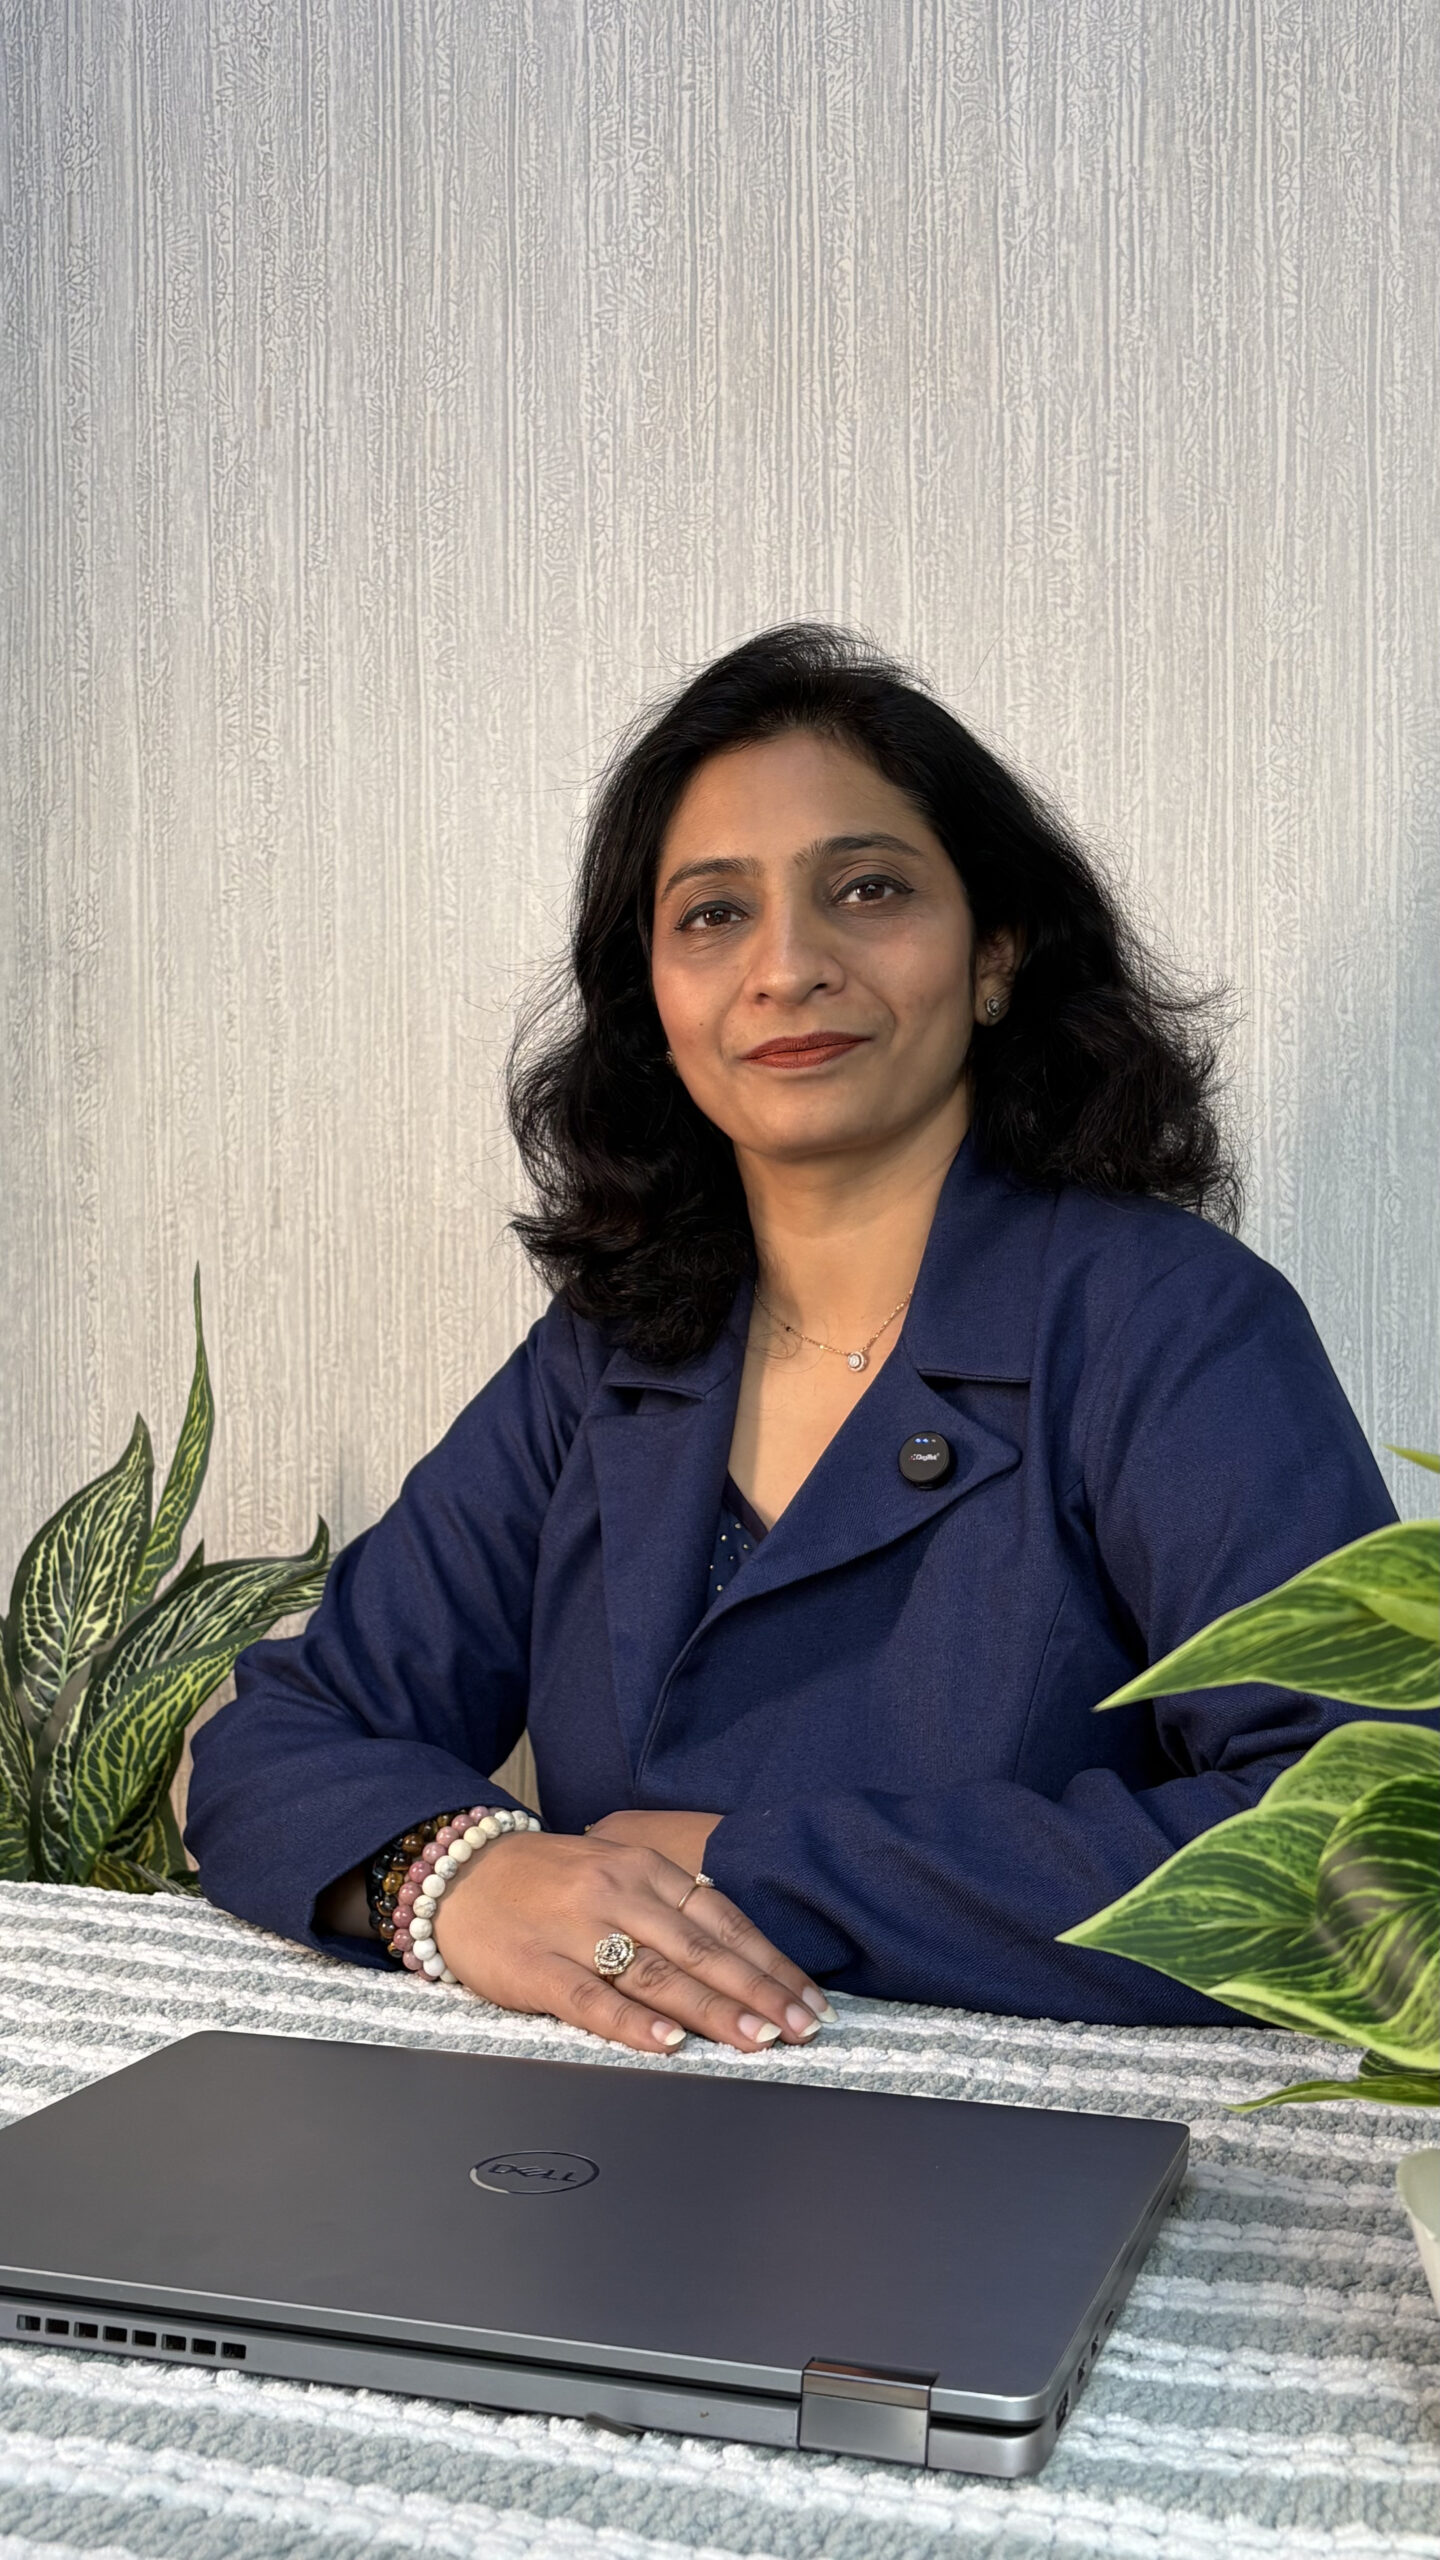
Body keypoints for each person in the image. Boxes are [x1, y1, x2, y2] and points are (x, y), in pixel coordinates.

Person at [185, 621, 1401, 2057]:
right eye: (712, 914)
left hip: (1008, 2151)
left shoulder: (1171, 1322)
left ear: (996, 953)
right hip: (614, 2147)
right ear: (654, 1000)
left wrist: (753, 1868)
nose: (787, 965)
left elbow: (1364, 1853)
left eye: (867, 889)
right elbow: (276, 1742)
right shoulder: (610, 1349)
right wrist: (453, 1878)